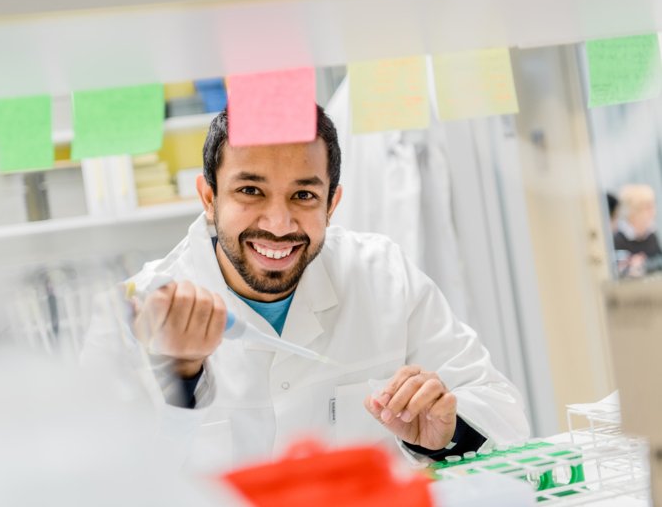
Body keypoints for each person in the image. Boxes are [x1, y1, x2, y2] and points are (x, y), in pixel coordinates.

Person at [85, 105, 529, 471]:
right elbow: (95, 481)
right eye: (250, 190)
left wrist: (445, 435)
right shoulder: (135, 311)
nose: (278, 224)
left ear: (332, 203)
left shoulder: (383, 277)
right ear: (208, 198)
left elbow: (505, 415)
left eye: (303, 196)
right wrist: (178, 382)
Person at [614, 184, 662, 277]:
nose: (653, 212)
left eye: (652, 206)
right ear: (633, 211)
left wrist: (644, 264)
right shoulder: (618, 239)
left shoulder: (651, 234)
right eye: (647, 207)